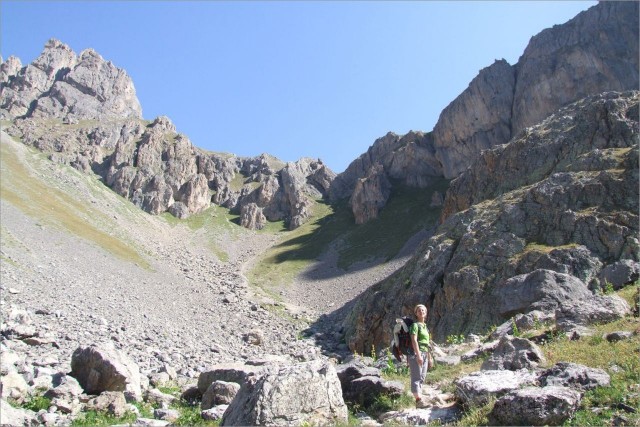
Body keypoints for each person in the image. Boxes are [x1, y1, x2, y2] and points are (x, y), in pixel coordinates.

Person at [408, 304, 430, 408]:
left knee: (422, 377)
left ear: (426, 312)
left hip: (425, 352)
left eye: (423, 310)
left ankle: (419, 397)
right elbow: (414, 340)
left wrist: (428, 357)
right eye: (419, 310)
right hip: (416, 353)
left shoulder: (425, 327)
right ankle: (418, 400)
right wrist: (418, 355)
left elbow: (427, 343)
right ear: (416, 313)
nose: (421, 312)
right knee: (416, 377)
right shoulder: (415, 325)